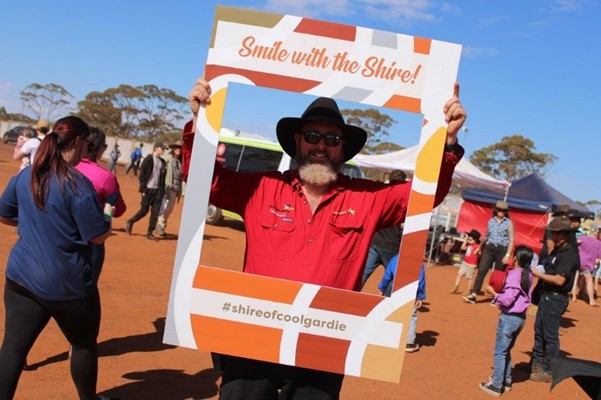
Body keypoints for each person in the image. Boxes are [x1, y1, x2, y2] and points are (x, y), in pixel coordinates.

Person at [187, 77, 467, 399]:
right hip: (254, 337)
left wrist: (445, 143)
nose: (321, 145)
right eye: (312, 136)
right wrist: (200, 124)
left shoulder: (368, 198)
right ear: (298, 141)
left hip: (324, 345)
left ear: (342, 148)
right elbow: (203, 181)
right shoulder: (261, 188)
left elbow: (423, 196)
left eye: (332, 138)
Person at [0, 116, 119, 400]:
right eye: (86, 144)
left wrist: (33, 224)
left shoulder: (26, 175)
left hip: (21, 279)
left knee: (13, 348)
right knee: (83, 344)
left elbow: (4, 214)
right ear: (78, 143)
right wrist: (107, 215)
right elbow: (97, 235)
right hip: (68, 285)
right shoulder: (77, 185)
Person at [478, 245, 534, 397]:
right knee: (506, 350)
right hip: (520, 318)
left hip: (510, 318)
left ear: (515, 258)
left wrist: (493, 293)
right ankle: (506, 380)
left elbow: (507, 299)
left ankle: (496, 385)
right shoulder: (528, 274)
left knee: (500, 352)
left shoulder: (515, 275)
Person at [529, 216, 580, 383]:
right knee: (539, 333)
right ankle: (536, 365)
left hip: (555, 299)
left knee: (550, 336)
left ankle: (549, 369)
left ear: (565, 234)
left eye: (556, 234)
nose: (552, 237)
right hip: (547, 297)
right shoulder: (558, 252)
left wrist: (538, 274)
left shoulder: (569, 254)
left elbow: (560, 280)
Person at [75, 127, 127, 278]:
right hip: (90, 241)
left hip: (57, 235)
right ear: (102, 149)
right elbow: (120, 210)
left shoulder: (64, 167)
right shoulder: (106, 177)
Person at [361, 170, 407, 286]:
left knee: (361, 276)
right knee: (394, 281)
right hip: (391, 247)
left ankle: (345, 299)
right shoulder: (406, 199)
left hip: (376, 244)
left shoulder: (381, 192)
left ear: (390, 179)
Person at [463, 200, 514, 304]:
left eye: (503, 210)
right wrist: (479, 247)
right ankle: (474, 295)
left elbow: (511, 240)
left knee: (498, 275)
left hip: (502, 250)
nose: (501, 212)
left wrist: (507, 255)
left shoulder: (509, 223)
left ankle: (495, 297)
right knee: (482, 270)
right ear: (495, 210)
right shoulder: (491, 221)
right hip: (489, 248)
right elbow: (486, 236)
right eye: (499, 209)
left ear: (506, 212)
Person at [378, 256, 425, 353]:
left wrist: (382, 288)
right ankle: (409, 343)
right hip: (410, 290)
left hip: (394, 288)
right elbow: (421, 281)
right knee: (411, 317)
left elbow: (388, 276)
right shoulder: (419, 262)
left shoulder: (395, 258)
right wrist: (420, 296)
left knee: (389, 313)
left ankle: (385, 337)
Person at [125, 140, 167, 241]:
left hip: (158, 191)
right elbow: (142, 175)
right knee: (144, 211)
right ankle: (131, 221)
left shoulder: (162, 162)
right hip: (148, 190)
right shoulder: (148, 159)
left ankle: (150, 232)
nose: (163, 151)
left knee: (155, 212)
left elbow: (162, 178)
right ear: (156, 148)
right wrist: (143, 189)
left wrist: (162, 192)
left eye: (164, 149)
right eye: (162, 149)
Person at [156, 139, 183, 237]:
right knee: (165, 208)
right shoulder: (167, 159)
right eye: (177, 148)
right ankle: (160, 226)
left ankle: (162, 226)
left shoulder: (180, 163)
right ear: (173, 148)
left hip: (175, 189)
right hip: (167, 187)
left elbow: (180, 178)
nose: (179, 150)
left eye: (180, 148)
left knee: (170, 209)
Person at [573, 233, 601, 306]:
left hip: (577, 261)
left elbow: (574, 243)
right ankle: (591, 300)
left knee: (575, 279)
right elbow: (598, 259)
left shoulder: (583, 237)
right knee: (589, 280)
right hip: (587, 264)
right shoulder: (598, 243)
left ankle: (574, 296)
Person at [450, 229, 481, 295]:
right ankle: (456, 287)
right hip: (465, 263)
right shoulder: (469, 245)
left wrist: (478, 252)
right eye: (468, 240)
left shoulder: (477, 246)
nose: (469, 241)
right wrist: (465, 240)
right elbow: (462, 248)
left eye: (470, 240)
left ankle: (469, 290)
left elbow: (479, 254)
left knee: (469, 278)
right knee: (459, 274)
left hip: (471, 265)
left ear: (475, 240)